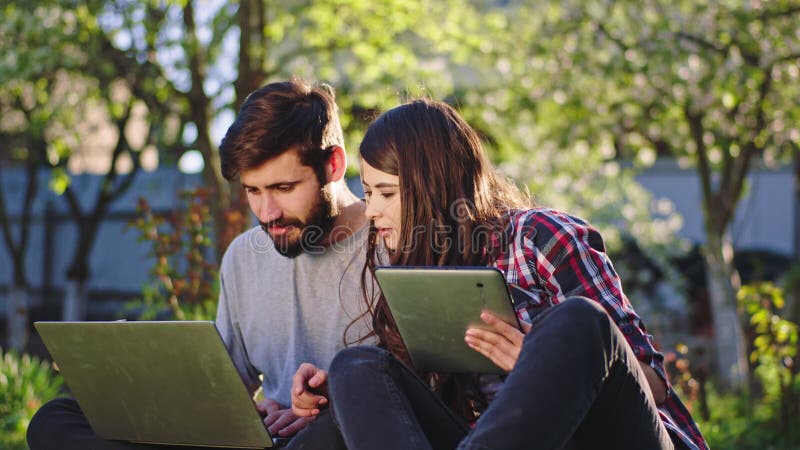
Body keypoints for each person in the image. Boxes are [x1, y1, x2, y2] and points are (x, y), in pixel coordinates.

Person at [290, 99, 708, 449]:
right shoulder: (417, 271)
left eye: (386, 193)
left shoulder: (541, 237)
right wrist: (335, 398)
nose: (372, 210)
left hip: (615, 436)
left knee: (579, 320)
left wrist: (540, 364)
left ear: (435, 187)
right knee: (356, 367)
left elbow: (652, 385)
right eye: (367, 193)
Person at [27, 78, 373, 449]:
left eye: (283, 188)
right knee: (55, 419)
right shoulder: (244, 257)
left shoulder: (388, 245)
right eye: (253, 191)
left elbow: (411, 401)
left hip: (330, 440)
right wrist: (241, 410)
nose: (267, 213)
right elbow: (228, 387)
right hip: (264, 441)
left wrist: (326, 408)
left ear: (333, 164)